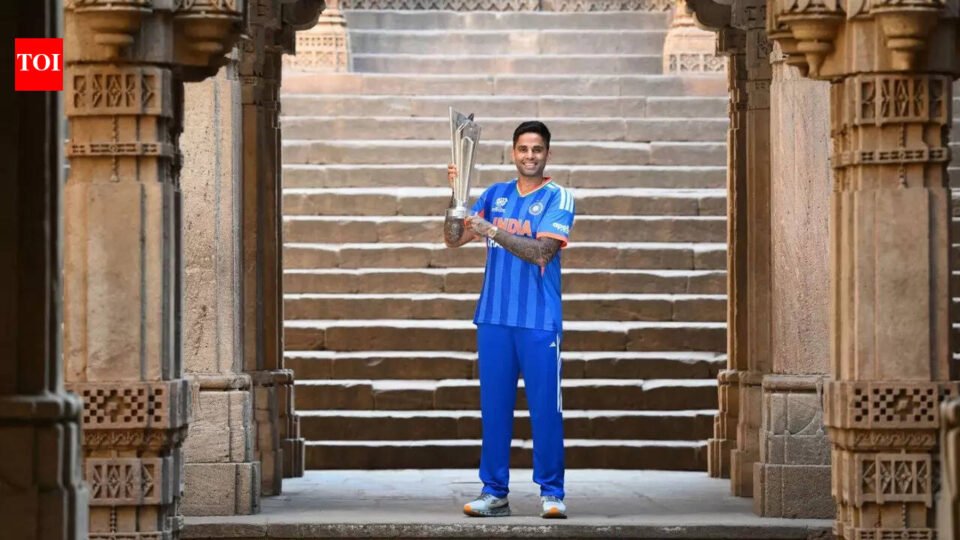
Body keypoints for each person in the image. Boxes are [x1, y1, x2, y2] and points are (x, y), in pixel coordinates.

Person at [443, 121, 575, 519]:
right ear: (513, 152)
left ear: (547, 153)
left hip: (538, 320)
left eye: (537, 149)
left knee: (545, 411)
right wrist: (456, 195)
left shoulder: (559, 196)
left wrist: (494, 231)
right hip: (494, 317)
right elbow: (453, 238)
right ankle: (494, 492)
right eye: (523, 149)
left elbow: (542, 253)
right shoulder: (495, 195)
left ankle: (551, 492)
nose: (529, 156)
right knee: (495, 410)